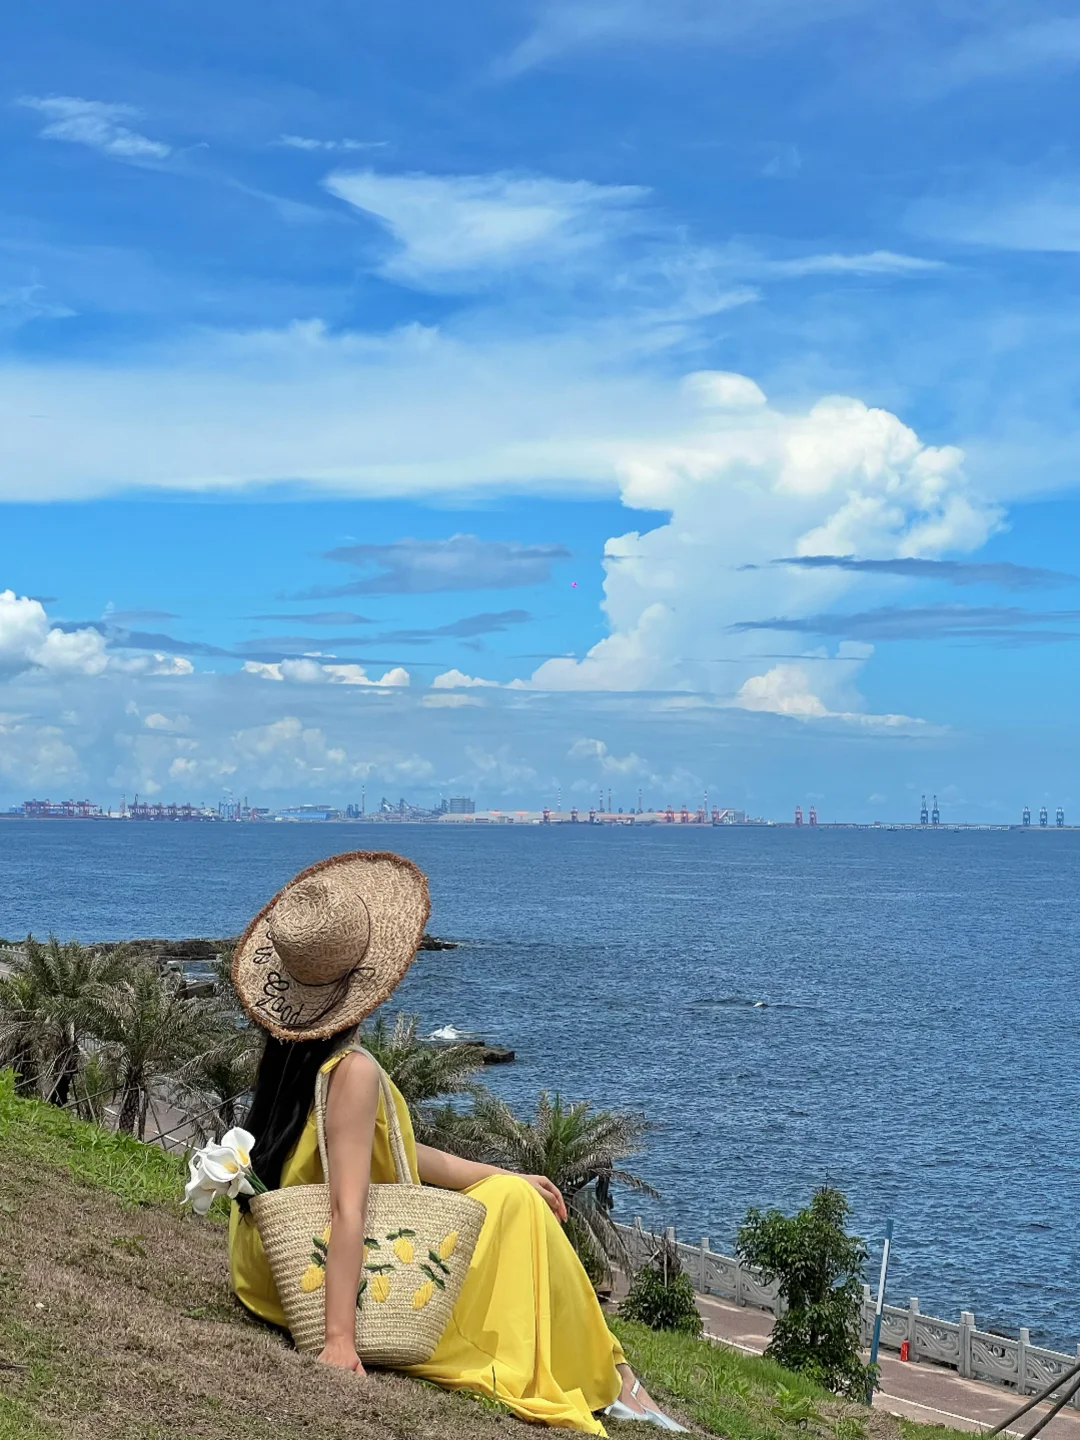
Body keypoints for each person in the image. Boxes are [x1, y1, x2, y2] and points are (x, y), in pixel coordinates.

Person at [228, 850, 684, 1435]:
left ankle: (615, 1375)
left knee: (511, 1193)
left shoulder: (288, 1058)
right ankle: (614, 1379)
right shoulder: (352, 1071)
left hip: (269, 1270)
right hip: (319, 1281)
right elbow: (347, 1207)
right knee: (518, 1211)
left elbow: (389, 1152)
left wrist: (502, 1174)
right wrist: (339, 1340)